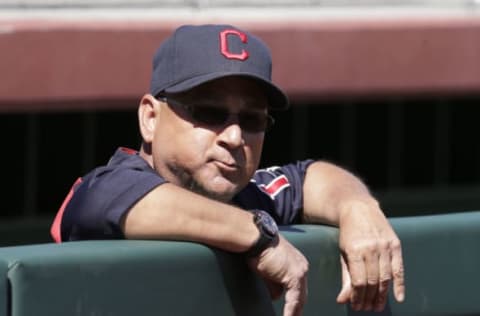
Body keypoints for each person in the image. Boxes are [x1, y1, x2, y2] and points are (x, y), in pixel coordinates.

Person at [50, 24, 404, 315]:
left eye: (252, 119)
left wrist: (358, 209)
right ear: (150, 117)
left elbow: (311, 176)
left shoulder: (246, 194)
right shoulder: (107, 187)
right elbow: (113, 199)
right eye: (209, 113)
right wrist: (260, 237)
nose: (235, 137)